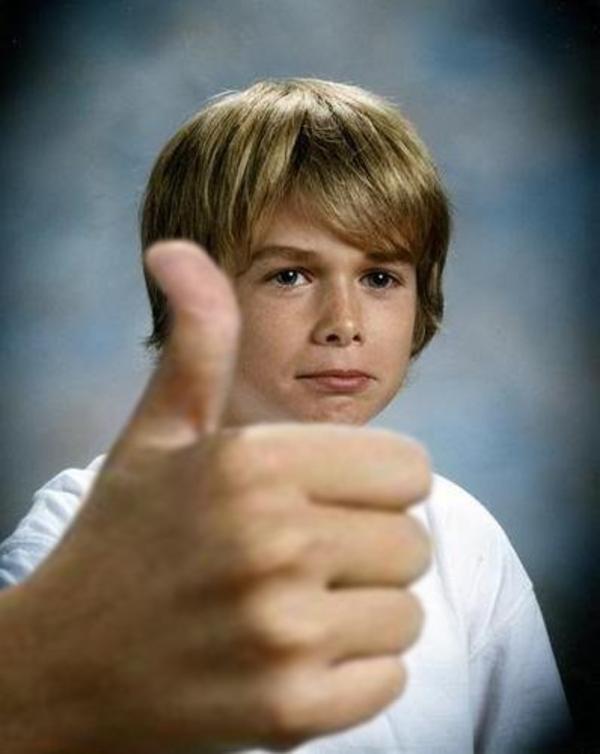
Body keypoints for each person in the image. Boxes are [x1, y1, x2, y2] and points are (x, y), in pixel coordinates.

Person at [0, 78, 572, 753]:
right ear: (191, 297)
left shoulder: (462, 538)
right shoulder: (83, 529)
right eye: (290, 276)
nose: (344, 323)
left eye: (380, 277)